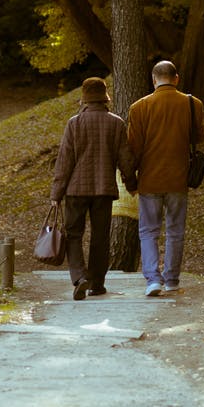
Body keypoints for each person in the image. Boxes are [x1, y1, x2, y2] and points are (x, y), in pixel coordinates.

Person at [50, 77, 137, 300]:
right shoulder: (116, 123)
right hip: (103, 190)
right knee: (101, 236)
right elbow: (125, 158)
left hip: (76, 190)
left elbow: (64, 162)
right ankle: (97, 283)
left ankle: (79, 278)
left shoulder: (74, 124)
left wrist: (56, 194)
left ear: (85, 99)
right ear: (104, 98)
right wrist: (131, 183)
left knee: (73, 234)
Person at [127, 60, 204, 297]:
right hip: (178, 178)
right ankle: (172, 278)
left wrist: (131, 178)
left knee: (149, 230)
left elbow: (134, 147)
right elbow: (200, 136)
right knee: (175, 231)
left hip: (150, 179)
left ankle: (153, 279)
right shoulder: (193, 104)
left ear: (154, 80)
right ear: (176, 78)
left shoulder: (139, 107)